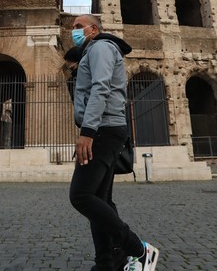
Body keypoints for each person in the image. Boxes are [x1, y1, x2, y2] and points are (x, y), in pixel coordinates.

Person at [69, 14, 159, 271]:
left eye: (78, 27)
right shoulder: (92, 51)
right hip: (104, 127)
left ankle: (139, 250)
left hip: (102, 129)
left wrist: (88, 130)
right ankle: (107, 263)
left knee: (81, 195)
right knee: (101, 199)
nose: (73, 31)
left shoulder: (100, 47)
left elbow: (101, 87)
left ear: (93, 28)